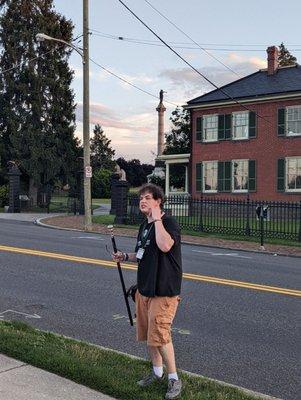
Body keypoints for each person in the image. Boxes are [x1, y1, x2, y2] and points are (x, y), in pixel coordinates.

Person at [113, 183, 183, 399]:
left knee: (160, 335)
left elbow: (164, 246)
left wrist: (157, 220)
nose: (142, 201)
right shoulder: (144, 226)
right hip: (144, 289)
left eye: (148, 198)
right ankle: (157, 372)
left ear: (158, 201)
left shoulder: (168, 222)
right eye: (141, 198)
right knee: (148, 335)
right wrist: (125, 256)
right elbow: (141, 253)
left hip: (163, 291)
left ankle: (174, 379)